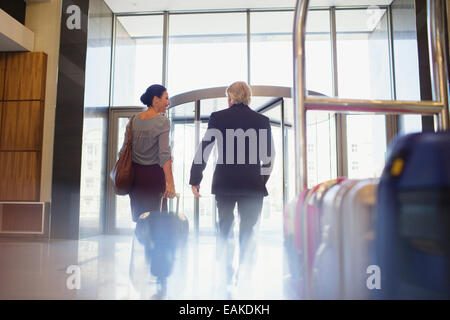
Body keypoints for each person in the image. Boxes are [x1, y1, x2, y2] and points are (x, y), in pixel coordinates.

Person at [189, 81, 274, 283]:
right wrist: (261, 179)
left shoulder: (218, 118)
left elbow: (205, 149)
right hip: (253, 185)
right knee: (248, 228)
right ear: (248, 98)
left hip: (225, 183)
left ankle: (226, 271)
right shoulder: (262, 120)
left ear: (230, 98)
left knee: (225, 226)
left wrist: (195, 178)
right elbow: (269, 157)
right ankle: (245, 271)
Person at [119, 84, 176, 223]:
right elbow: (164, 155)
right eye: (166, 98)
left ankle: (140, 244)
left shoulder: (133, 120)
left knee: (141, 219)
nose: (168, 102)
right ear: (156, 100)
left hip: (135, 178)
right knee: (157, 220)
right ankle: (155, 245)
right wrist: (170, 183)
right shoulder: (162, 122)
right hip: (154, 178)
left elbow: (122, 151)